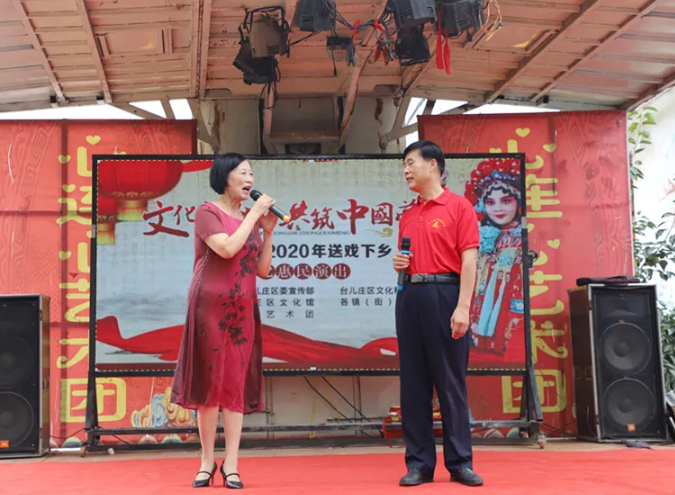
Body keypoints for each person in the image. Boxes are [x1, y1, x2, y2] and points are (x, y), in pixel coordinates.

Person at [170, 153, 278, 489]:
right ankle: (207, 461)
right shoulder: (208, 212)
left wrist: (268, 233)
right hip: (209, 308)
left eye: (251, 174)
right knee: (209, 385)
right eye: (242, 173)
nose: (249, 179)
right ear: (224, 177)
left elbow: (262, 270)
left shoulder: (249, 218)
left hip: (242, 309)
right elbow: (227, 249)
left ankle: (231, 463)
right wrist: (255, 216)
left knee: (233, 384)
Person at [392, 140, 483, 487]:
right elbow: (408, 258)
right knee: (413, 385)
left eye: (411, 163)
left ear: (433, 165)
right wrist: (399, 263)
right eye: (404, 165)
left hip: (445, 294)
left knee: (450, 383)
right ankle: (419, 464)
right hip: (409, 296)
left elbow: (469, 261)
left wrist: (463, 306)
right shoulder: (407, 214)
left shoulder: (459, 207)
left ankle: (460, 463)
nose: (406, 170)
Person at [464, 158, 524, 358]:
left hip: (510, 293)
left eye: (506, 201)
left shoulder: (521, 236)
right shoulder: (484, 234)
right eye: (490, 202)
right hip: (485, 291)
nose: (498, 208)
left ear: (518, 201)